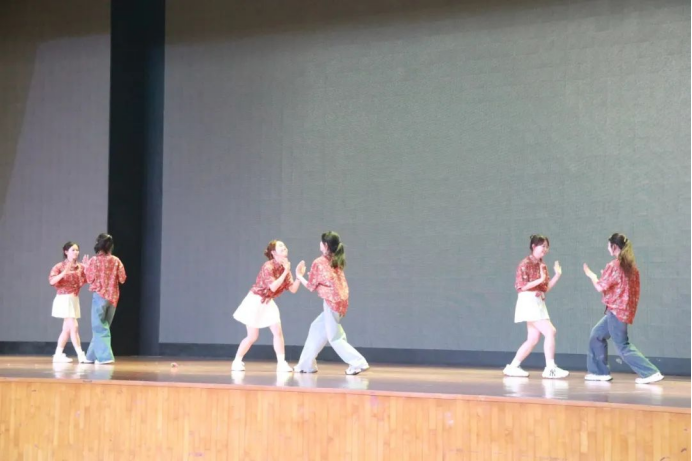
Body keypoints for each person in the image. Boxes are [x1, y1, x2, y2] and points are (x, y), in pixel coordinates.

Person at [583, 233, 664, 384]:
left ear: (614, 246)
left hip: (616, 312)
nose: (607, 248)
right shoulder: (631, 267)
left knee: (622, 346)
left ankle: (650, 372)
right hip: (621, 311)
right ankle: (599, 372)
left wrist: (591, 275)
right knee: (597, 335)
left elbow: (600, 287)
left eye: (608, 245)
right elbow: (624, 289)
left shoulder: (614, 265)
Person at [294, 231, 369, 376]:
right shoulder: (336, 259)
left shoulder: (319, 262)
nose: (320, 244)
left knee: (334, 337)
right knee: (316, 328)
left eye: (321, 242)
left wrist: (299, 276)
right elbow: (327, 281)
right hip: (340, 302)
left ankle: (358, 362)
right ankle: (306, 364)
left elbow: (311, 286)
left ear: (325, 245)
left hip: (331, 302)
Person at [503, 234, 569, 379]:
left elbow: (545, 288)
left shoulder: (542, 265)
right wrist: (540, 279)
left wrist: (557, 275)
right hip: (528, 301)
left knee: (533, 338)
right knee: (550, 331)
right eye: (542, 246)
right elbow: (521, 286)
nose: (545, 249)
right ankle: (550, 368)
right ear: (533, 246)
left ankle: (513, 366)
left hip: (538, 303)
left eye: (546, 247)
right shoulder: (525, 263)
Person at [232, 240, 300, 372]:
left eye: (284, 245)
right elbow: (273, 287)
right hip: (255, 300)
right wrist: (286, 272)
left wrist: (298, 276)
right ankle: (237, 361)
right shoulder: (268, 266)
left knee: (277, 331)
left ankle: (281, 363)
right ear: (273, 252)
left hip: (268, 301)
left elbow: (293, 289)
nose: (284, 247)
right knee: (252, 336)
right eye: (280, 246)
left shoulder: (285, 268)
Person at [83, 233, 127, 364]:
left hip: (100, 296)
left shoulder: (94, 260)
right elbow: (122, 279)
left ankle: (105, 357)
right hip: (113, 297)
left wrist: (86, 267)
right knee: (103, 326)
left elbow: (89, 279)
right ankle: (90, 357)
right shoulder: (116, 261)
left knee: (99, 327)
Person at [48, 241, 88, 363]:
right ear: (66, 252)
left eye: (77, 250)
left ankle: (58, 355)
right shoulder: (59, 266)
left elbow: (87, 280)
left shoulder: (80, 267)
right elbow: (52, 281)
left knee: (66, 330)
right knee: (74, 327)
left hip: (74, 298)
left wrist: (88, 269)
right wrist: (64, 273)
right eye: (73, 250)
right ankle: (81, 355)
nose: (76, 252)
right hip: (64, 298)